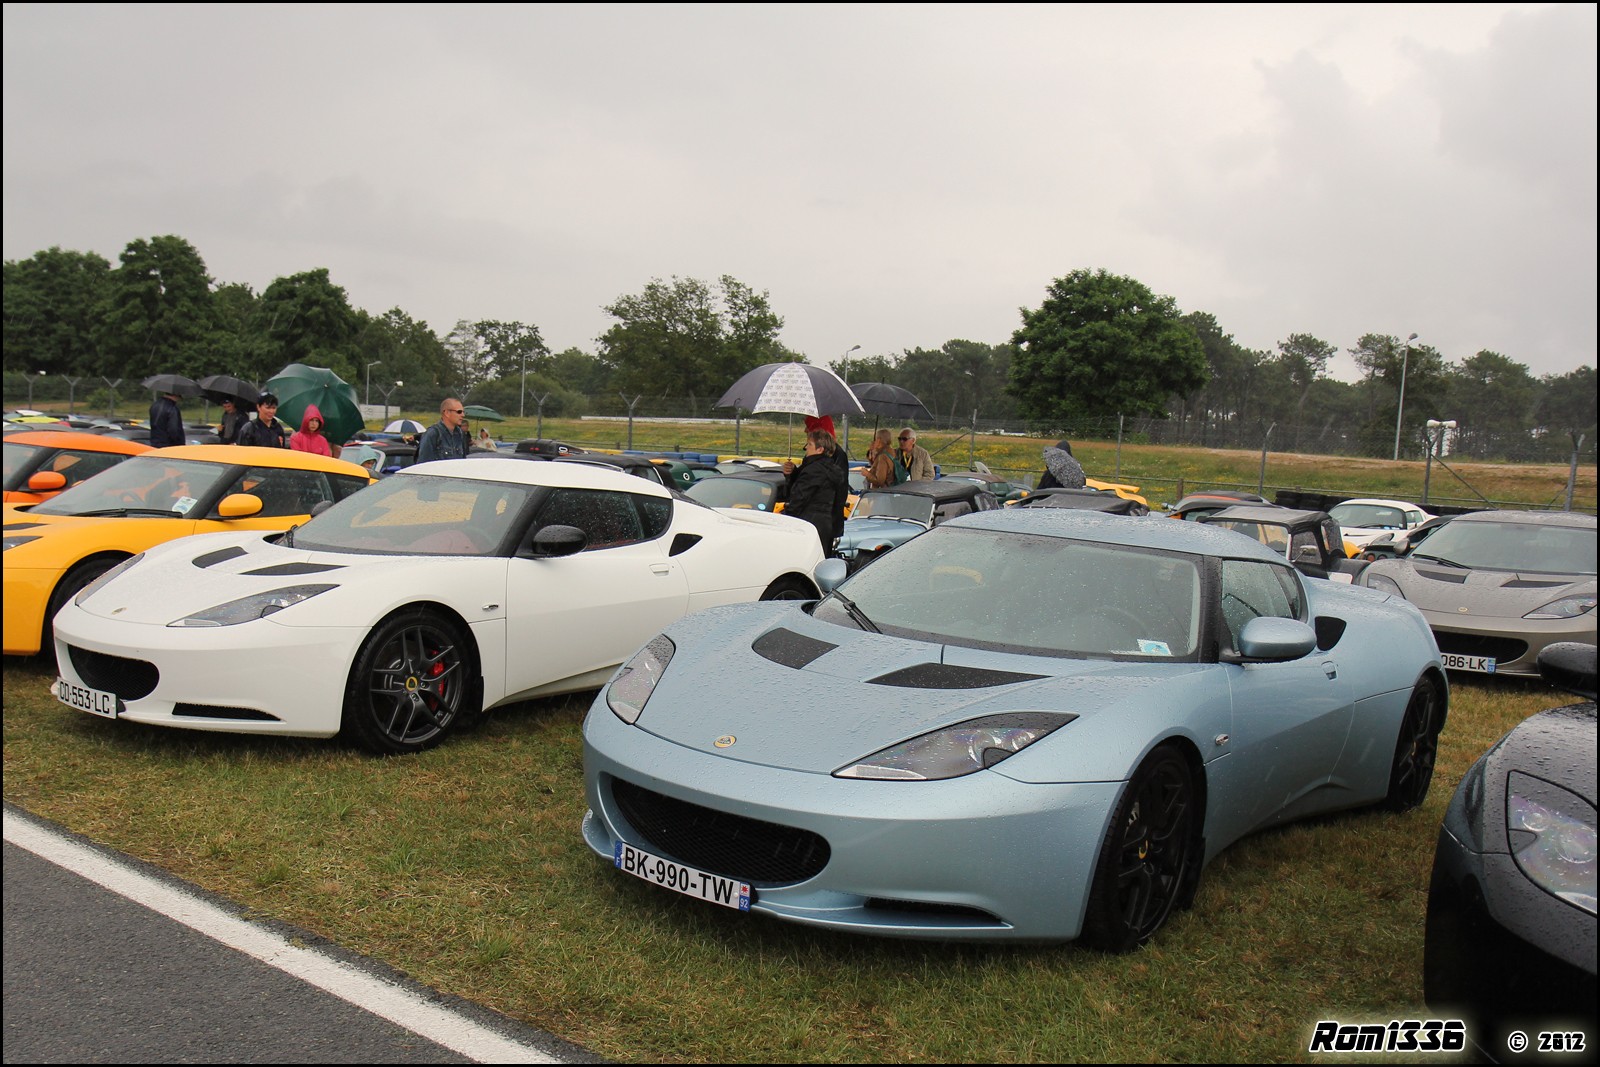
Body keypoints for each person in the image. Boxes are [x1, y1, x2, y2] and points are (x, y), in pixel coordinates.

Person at [780, 430, 846, 554]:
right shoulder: (833, 469)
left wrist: (787, 518)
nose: (806, 448)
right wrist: (793, 473)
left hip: (807, 523)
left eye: (809, 444)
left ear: (819, 449)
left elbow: (799, 498)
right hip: (826, 525)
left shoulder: (813, 470)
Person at [417, 397, 469, 463]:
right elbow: (423, 464)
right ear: (447, 413)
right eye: (459, 412)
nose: (463, 415)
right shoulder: (433, 434)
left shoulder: (460, 434)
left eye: (463, 412)